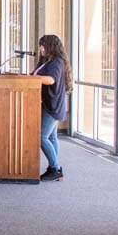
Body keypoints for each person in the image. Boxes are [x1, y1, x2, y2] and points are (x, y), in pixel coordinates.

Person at [33, 34, 71, 182]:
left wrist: (32, 79)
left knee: (41, 137)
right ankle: (54, 168)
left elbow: (50, 79)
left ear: (51, 46)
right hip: (48, 103)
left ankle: (55, 168)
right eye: (40, 45)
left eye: (43, 45)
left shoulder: (56, 62)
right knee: (52, 137)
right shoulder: (46, 61)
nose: (41, 48)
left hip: (53, 105)